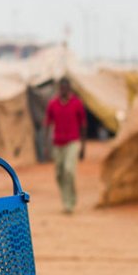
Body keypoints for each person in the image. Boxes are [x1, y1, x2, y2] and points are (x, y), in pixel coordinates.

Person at [44, 76, 87, 214]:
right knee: (59, 174)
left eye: (65, 87)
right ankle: (65, 199)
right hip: (58, 143)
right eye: (61, 88)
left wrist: (83, 146)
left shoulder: (77, 103)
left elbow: (83, 125)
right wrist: (45, 145)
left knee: (69, 171)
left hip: (72, 142)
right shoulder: (53, 104)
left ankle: (70, 202)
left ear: (69, 88)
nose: (63, 90)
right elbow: (47, 124)